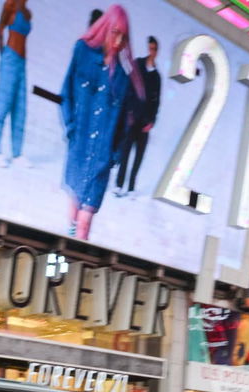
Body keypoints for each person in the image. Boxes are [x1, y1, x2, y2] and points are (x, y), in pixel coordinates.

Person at [59, 5, 145, 240]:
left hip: (101, 159)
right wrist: (71, 128)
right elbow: (67, 93)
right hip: (79, 149)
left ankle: (76, 258)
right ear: (106, 28)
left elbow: (125, 125)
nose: (117, 40)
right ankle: (67, 255)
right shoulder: (83, 53)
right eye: (115, 32)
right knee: (74, 213)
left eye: (123, 36)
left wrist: (114, 156)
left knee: (85, 222)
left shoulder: (122, 78)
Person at [112, 35, 161, 197]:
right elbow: (130, 88)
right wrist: (130, 112)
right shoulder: (138, 65)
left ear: (157, 52)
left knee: (138, 157)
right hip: (133, 119)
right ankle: (119, 185)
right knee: (125, 152)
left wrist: (152, 121)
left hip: (145, 123)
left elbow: (156, 101)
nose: (151, 51)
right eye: (150, 48)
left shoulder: (156, 76)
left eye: (153, 49)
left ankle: (131, 187)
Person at [0, 0, 32, 167]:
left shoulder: (27, 12)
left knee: (20, 107)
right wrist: (4, 55)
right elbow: (0, 29)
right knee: (3, 103)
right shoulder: (10, 5)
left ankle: (17, 153)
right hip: (10, 58)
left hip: (22, 62)